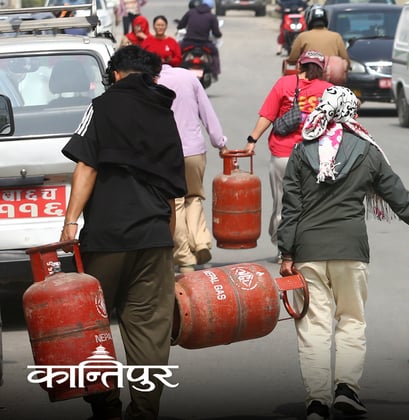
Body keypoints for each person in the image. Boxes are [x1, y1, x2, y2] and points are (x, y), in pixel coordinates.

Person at [278, 86, 409, 420]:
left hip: (308, 251)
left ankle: (316, 402)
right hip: (351, 252)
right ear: (350, 113)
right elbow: (399, 197)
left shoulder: (300, 151)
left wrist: (286, 254)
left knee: (314, 326)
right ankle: (347, 390)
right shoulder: (367, 152)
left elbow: (291, 208)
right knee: (351, 320)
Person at [59, 45, 186, 420]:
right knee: (149, 331)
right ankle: (144, 411)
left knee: (87, 326)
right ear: (151, 78)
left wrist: (70, 223)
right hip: (153, 239)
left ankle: (106, 407)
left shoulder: (102, 107)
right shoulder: (164, 115)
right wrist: (169, 247)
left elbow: (87, 166)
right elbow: (171, 193)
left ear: (114, 74)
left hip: (106, 240)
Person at [144, 42, 228, 273]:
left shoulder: (150, 83)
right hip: (194, 151)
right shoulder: (189, 77)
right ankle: (200, 241)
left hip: (166, 153)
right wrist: (220, 142)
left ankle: (184, 257)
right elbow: (206, 111)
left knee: (176, 202)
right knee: (194, 197)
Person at [244, 50, 332, 262]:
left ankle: (283, 249)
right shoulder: (329, 90)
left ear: (299, 65)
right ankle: (308, 246)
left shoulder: (284, 84)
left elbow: (267, 115)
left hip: (283, 154)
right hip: (316, 156)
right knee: (312, 202)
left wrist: (252, 140)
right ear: (321, 68)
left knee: (283, 202)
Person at [286, 6, 349, 70]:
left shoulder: (302, 37)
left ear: (309, 20)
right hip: (332, 75)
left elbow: (292, 60)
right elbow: (345, 60)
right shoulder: (336, 37)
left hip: (309, 76)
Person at [177, 0, 222, 79]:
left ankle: (173, 70)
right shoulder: (212, 16)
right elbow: (216, 33)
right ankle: (215, 71)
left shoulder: (190, 13)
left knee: (177, 51)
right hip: (204, 44)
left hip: (188, 42)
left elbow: (180, 26)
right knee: (215, 52)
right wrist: (219, 34)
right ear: (211, 7)